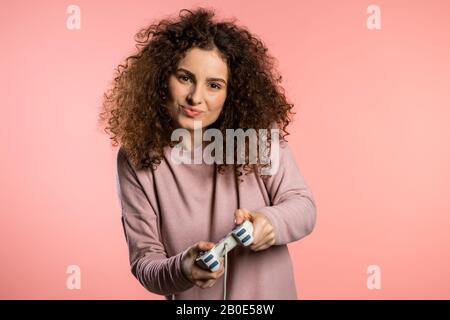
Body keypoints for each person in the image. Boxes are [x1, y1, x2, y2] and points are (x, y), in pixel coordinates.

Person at [98, 7, 317, 300]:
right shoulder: (136, 157)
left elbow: (303, 207)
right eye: (185, 78)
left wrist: (270, 223)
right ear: (162, 77)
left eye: (214, 85)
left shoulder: (257, 138)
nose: (195, 97)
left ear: (231, 93)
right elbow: (145, 261)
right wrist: (183, 269)